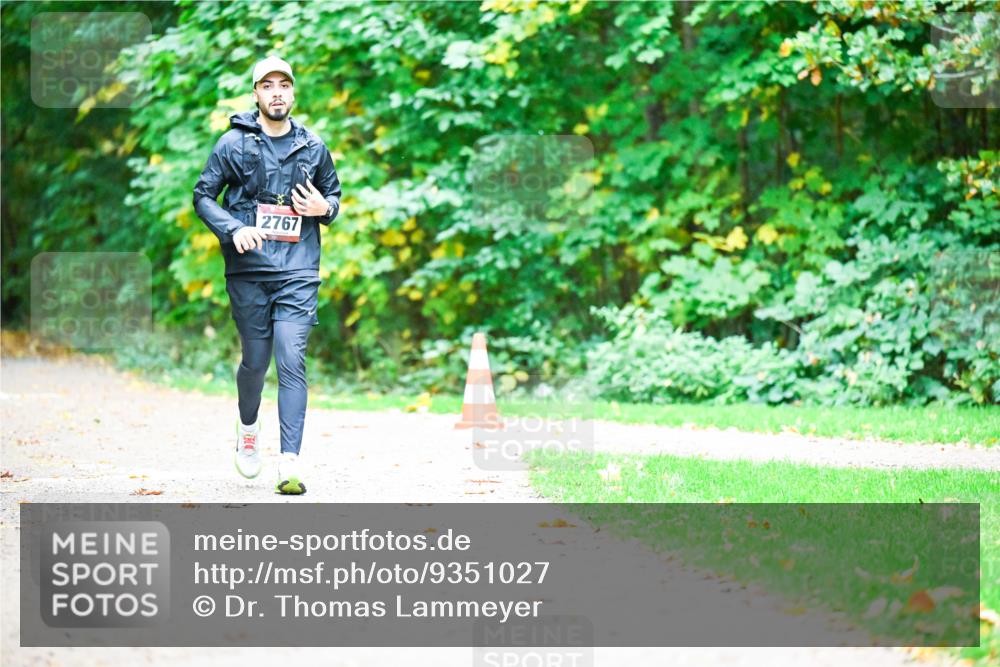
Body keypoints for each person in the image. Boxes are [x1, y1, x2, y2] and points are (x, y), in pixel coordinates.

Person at [192, 56, 341, 495]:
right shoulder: (232, 145)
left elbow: (332, 195)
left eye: (284, 85)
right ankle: (248, 427)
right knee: (256, 362)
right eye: (267, 85)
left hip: (298, 268)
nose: (277, 92)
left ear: (293, 94)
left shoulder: (313, 147)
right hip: (249, 269)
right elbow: (203, 196)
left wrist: (325, 209)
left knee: (291, 358)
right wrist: (234, 228)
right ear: (256, 93)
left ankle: (290, 463)